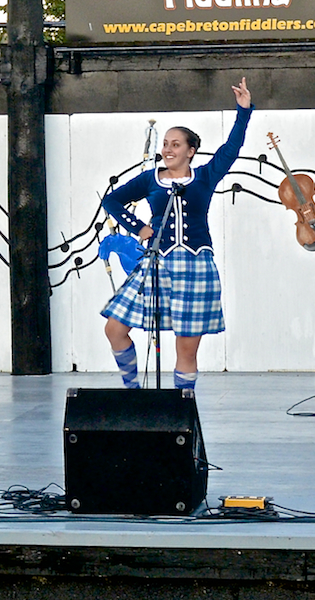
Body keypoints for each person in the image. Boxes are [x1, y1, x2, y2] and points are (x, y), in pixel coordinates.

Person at [100, 77, 253, 390]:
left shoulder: (205, 176)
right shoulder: (150, 179)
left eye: (175, 144)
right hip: (157, 263)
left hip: (195, 265)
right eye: (166, 144)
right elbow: (111, 200)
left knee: (186, 348)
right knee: (115, 328)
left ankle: (181, 407)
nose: (168, 149)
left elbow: (231, 149)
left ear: (191, 151)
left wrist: (243, 112)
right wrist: (139, 227)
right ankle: (134, 392)